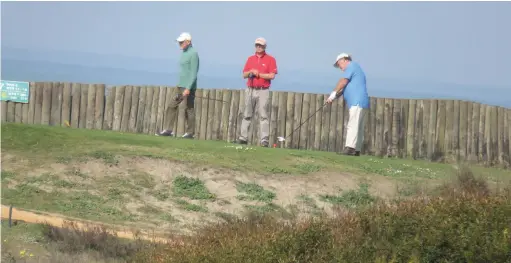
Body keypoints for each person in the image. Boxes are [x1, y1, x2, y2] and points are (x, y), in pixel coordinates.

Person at [233, 37, 278, 147]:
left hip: (263, 90)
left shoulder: (271, 59)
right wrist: (250, 72)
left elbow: (272, 76)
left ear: (264, 47)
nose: (258, 47)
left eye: (261, 45)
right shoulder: (250, 59)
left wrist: (259, 74)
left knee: (263, 115)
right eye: (257, 45)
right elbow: (244, 74)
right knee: (247, 114)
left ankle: (264, 140)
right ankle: (243, 137)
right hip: (250, 89)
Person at [156, 32, 199, 139]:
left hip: (188, 87)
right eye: (179, 42)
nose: (179, 44)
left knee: (189, 108)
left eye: (181, 42)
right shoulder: (184, 53)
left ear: (188, 42)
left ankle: (190, 133)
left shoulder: (193, 54)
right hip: (180, 85)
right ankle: (168, 130)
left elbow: (194, 73)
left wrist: (188, 88)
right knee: (172, 106)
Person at [326, 53, 370, 156]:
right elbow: (343, 89)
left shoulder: (352, 66)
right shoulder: (355, 69)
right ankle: (356, 150)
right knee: (358, 127)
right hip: (362, 102)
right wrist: (334, 97)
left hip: (357, 102)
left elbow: (343, 82)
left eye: (339, 64)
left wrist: (332, 93)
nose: (339, 67)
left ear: (344, 60)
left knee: (353, 125)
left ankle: (350, 148)